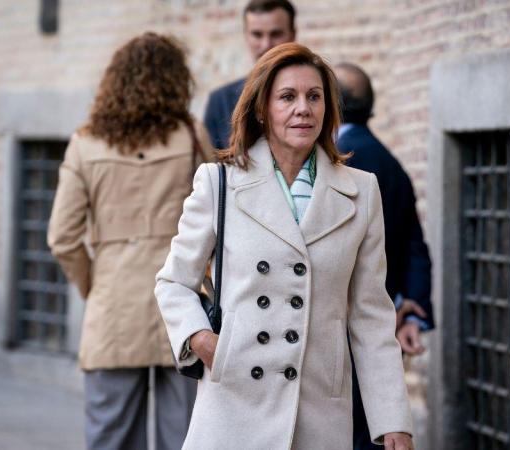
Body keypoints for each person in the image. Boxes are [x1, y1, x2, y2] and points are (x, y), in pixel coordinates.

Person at [154, 43, 415, 450]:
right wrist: (203, 341)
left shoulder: (361, 192)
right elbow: (174, 282)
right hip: (235, 401)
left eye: (314, 97)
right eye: (288, 97)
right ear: (262, 108)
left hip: (319, 410)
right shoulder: (219, 183)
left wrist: (392, 420)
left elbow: (371, 316)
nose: (303, 109)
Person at [47, 32, 214, 450]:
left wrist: (95, 285)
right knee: (188, 437)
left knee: (111, 437)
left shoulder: (85, 143)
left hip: (112, 311)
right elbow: (219, 221)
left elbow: (62, 238)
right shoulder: (191, 136)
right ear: (177, 80)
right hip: (183, 306)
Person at [335, 63, 434, 450]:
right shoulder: (391, 163)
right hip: (387, 316)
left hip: (351, 323)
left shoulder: (341, 164)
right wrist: (412, 309)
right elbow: (414, 244)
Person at [203, 0, 296, 150]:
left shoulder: (321, 94)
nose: (266, 45)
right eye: (257, 34)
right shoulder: (220, 101)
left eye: (276, 34)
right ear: (246, 36)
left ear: (292, 35)